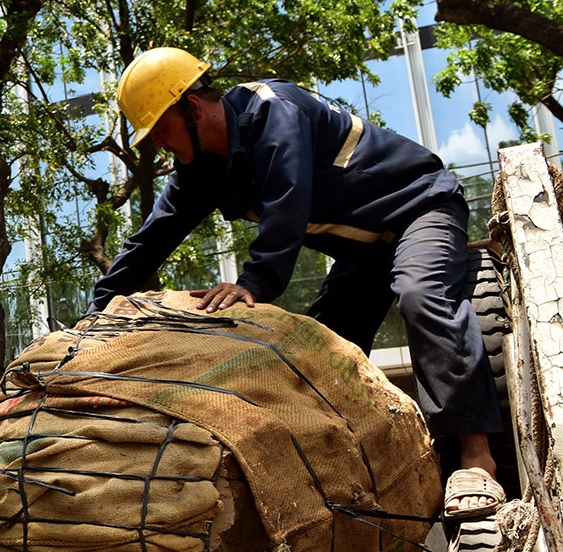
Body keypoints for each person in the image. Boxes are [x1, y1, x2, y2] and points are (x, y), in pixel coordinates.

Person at [89, 47, 506, 519]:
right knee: (319, 351)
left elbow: (287, 198)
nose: (159, 144)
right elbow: (151, 240)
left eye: (161, 129)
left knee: (421, 293)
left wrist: (257, 282)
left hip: (421, 210)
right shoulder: (199, 171)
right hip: (362, 254)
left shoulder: (273, 110)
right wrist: (97, 314)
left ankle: (476, 458)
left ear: (191, 106)